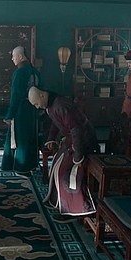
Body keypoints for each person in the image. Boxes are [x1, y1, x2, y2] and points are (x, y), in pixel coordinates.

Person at [28, 86, 97, 221]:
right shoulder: (51, 105)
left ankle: (74, 209)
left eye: (36, 104)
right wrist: (51, 139)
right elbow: (56, 122)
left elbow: (76, 129)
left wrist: (78, 156)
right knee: (56, 163)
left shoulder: (61, 105)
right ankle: (58, 201)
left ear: (42, 95)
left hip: (83, 141)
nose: (37, 107)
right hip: (72, 140)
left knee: (63, 171)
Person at [1, 46, 41, 175]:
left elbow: (16, 96)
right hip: (34, 109)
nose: (12, 59)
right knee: (31, 137)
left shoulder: (19, 73)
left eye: (13, 56)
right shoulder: (35, 72)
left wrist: (9, 115)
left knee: (20, 139)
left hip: (21, 111)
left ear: (20, 56)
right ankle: (32, 165)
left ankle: (20, 167)